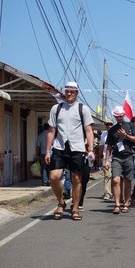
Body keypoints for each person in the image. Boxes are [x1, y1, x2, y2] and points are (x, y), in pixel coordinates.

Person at [45, 81, 94, 221]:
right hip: (60, 147)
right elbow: (51, 130)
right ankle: (61, 202)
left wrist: (90, 150)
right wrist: (47, 151)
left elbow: (89, 131)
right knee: (54, 177)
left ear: (77, 93)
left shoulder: (82, 109)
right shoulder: (56, 108)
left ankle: (75, 208)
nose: (69, 94)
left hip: (77, 148)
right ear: (64, 92)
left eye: (72, 91)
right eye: (67, 91)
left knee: (76, 179)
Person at [104, 105, 135, 215]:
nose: (119, 118)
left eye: (121, 116)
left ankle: (126, 203)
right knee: (116, 180)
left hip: (129, 156)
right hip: (116, 157)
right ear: (115, 116)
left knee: (127, 180)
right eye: (117, 116)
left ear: (124, 115)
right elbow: (109, 146)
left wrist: (126, 136)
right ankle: (117, 204)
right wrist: (106, 160)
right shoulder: (112, 130)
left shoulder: (131, 126)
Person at [98, 119, 114, 200]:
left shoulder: (116, 133)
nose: (109, 126)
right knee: (107, 175)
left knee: (115, 176)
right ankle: (107, 193)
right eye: (107, 125)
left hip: (115, 158)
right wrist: (100, 156)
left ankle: (114, 192)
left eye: (110, 124)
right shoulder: (103, 135)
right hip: (105, 158)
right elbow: (101, 146)